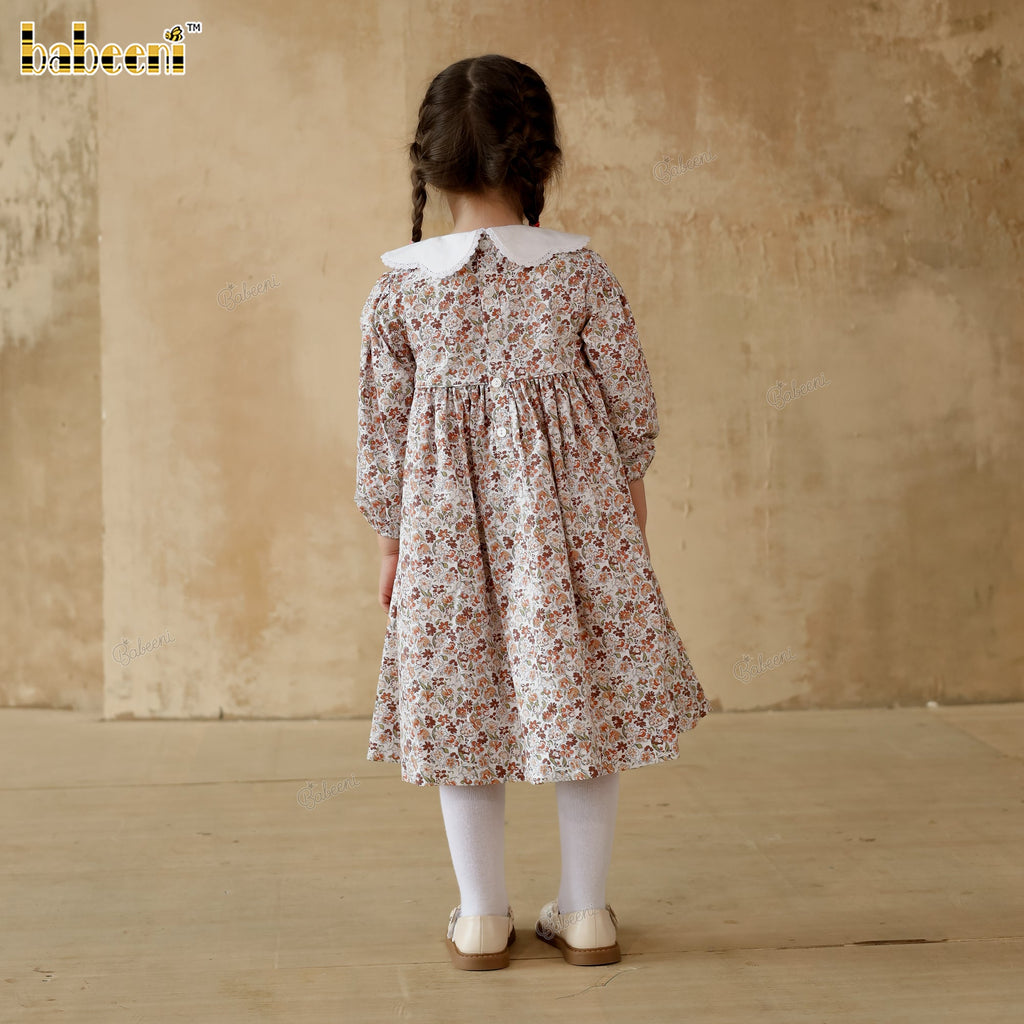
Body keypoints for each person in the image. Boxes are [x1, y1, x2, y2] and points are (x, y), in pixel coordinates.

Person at [354, 53, 712, 971]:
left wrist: (390, 543)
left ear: (429, 165)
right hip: (577, 531)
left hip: (447, 538)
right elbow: (631, 410)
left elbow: (382, 433)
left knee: (463, 706)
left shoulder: (400, 289)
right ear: (542, 158)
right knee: (582, 697)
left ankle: (481, 916)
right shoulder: (579, 274)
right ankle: (585, 912)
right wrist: (629, 511)